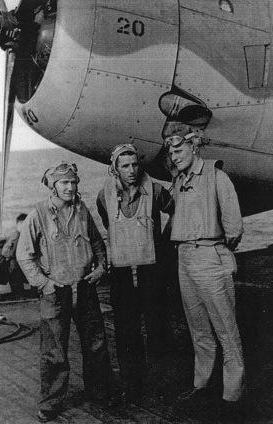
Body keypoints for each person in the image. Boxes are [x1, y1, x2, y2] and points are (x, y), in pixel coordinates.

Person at [16, 162, 113, 423]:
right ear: (52, 186)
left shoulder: (82, 209)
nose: (70, 187)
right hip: (55, 291)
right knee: (54, 352)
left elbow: (96, 241)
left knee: (96, 344)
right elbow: (24, 254)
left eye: (73, 182)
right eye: (64, 183)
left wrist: (101, 267)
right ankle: (51, 403)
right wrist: (43, 283)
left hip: (84, 287)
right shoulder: (38, 213)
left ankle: (100, 392)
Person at [165, 124, 245, 418]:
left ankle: (232, 399)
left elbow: (234, 227)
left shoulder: (216, 176)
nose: (173, 157)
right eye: (170, 152)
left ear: (194, 146)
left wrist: (215, 252)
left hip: (210, 256)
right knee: (199, 330)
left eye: (179, 150)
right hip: (184, 257)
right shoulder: (178, 180)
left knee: (226, 331)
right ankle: (203, 388)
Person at [97, 144, 174, 404]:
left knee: (158, 330)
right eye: (125, 166)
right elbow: (110, 225)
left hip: (151, 270)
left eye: (135, 164)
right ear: (115, 168)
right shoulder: (102, 196)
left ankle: (162, 385)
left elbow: (177, 211)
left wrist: (163, 245)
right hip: (121, 273)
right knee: (126, 332)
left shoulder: (156, 190)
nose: (131, 170)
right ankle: (133, 386)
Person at [0, 213, 28, 298]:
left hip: (14, 261)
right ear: (19, 224)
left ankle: (20, 294)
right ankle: (19, 295)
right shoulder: (16, 235)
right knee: (15, 277)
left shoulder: (17, 234)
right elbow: (6, 250)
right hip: (12, 262)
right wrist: (13, 256)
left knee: (16, 278)